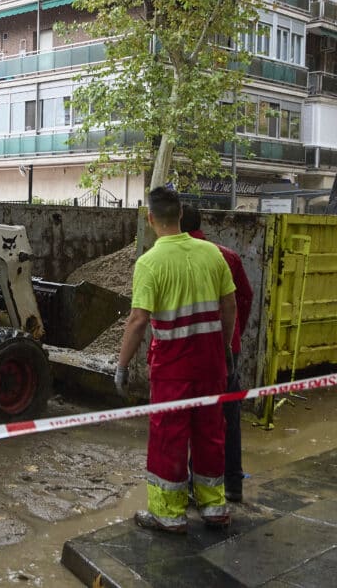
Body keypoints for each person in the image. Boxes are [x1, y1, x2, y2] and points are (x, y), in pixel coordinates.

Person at [115, 186, 236, 533]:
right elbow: (229, 305)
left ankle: (168, 514)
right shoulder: (212, 254)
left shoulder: (150, 263)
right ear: (181, 214)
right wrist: (225, 348)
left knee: (169, 438)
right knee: (211, 434)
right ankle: (214, 508)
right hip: (210, 364)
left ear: (150, 219)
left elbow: (138, 320)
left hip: (172, 370)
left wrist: (121, 366)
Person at [180, 204, 253, 502]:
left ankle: (195, 486)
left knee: (192, 419)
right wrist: (234, 337)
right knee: (228, 417)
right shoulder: (227, 256)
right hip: (226, 350)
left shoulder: (175, 258)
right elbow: (244, 298)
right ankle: (232, 483)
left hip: (190, 351)